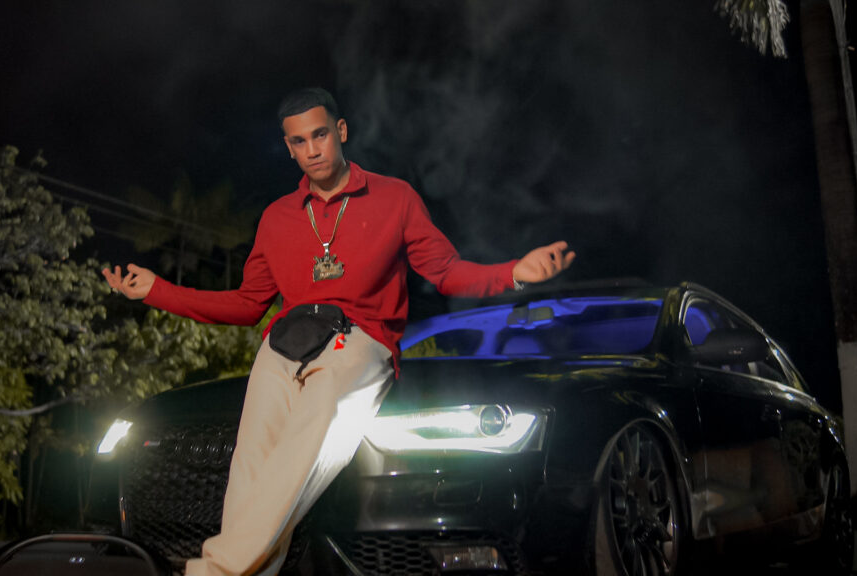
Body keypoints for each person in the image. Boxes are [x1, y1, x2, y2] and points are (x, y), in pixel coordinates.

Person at [102, 87, 576, 576]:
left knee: (310, 433)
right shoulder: (277, 217)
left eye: (320, 135)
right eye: (299, 141)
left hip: (360, 340)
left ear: (341, 131)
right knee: (251, 463)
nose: (312, 150)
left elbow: (446, 272)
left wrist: (513, 272)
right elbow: (247, 305)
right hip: (284, 343)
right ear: (288, 148)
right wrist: (157, 290)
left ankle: (215, 570)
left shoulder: (395, 198)